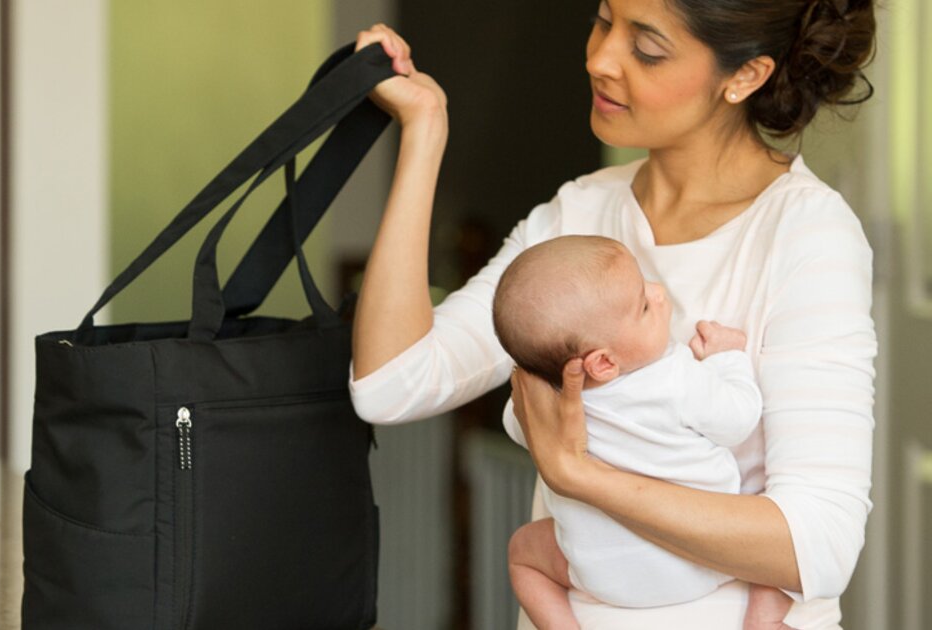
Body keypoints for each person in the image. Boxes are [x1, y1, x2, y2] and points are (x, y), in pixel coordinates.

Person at [347, 0, 878, 627]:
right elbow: (389, 384)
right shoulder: (578, 216)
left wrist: (580, 474)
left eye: (647, 48)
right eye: (603, 20)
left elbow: (816, 544)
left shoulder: (806, 233)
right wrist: (424, 131)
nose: (599, 58)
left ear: (745, 76)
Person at [491, 235, 765, 628]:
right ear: (603, 363)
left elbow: (516, 426)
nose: (657, 293)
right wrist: (729, 358)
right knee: (773, 515)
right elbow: (739, 418)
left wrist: (538, 381)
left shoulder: (548, 407)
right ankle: (765, 616)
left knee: (522, 551)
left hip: (601, 575)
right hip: (705, 560)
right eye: (643, 306)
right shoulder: (673, 377)